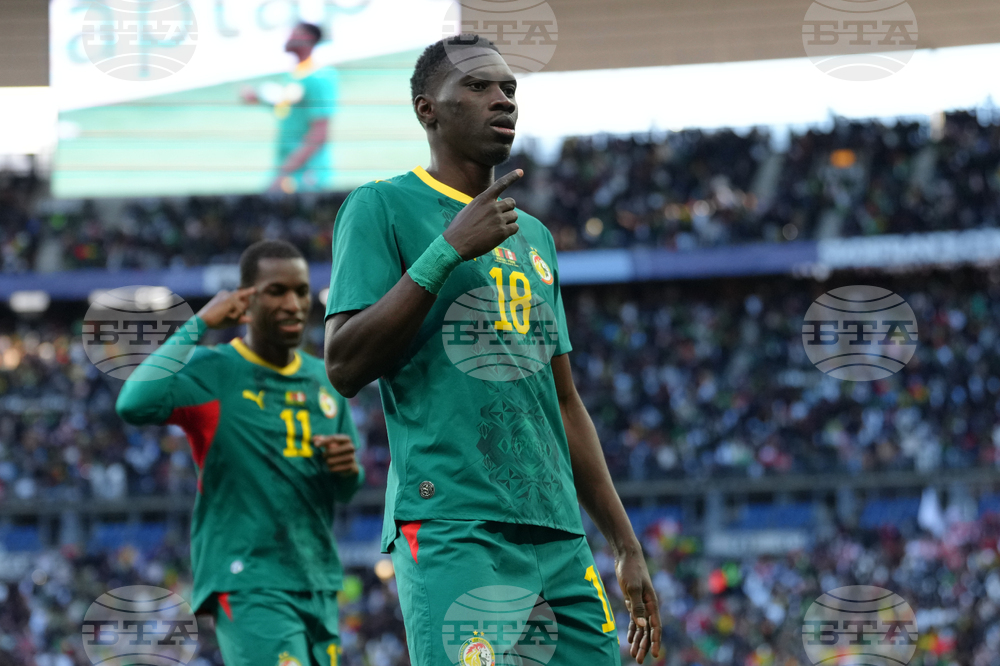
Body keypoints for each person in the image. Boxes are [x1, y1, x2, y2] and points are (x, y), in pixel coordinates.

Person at [323, 36, 661, 665]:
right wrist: (447, 250)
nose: (502, 100)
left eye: (508, 88)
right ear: (428, 110)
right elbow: (342, 363)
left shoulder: (532, 235)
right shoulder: (380, 207)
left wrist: (624, 542)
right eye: (478, 87)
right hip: (456, 523)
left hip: (557, 533)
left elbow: (564, 401)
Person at [117, 240, 363, 666]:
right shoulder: (215, 371)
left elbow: (345, 489)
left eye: (301, 291)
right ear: (244, 300)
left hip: (317, 579)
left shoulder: (326, 381)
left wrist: (346, 470)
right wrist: (198, 323)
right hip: (249, 579)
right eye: (277, 291)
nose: (293, 303)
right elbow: (133, 403)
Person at [242, 22, 338, 194]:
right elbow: (287, 108)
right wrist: (258, 99)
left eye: (294, 33)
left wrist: (284, 172)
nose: (288, 37)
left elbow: (319, 132)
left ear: (307, 38)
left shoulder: (320, 77)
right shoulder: (293, 76)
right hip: (289, 172)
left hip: (308, 176)